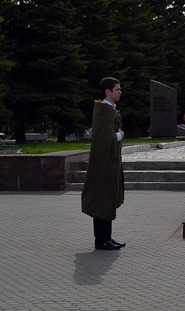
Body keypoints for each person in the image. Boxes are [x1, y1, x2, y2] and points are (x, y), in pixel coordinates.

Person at [81, 77, 126, 251]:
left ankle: (107, 237)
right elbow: (103, 138)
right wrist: (119, 136)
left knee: (108, 196)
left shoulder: (109, 110)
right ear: (108, 92)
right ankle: (101, 240)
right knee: (103, 197)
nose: (120, 92)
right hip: (103, 162)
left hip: (109, 160)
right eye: (117, 89)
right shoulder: (104, 111)